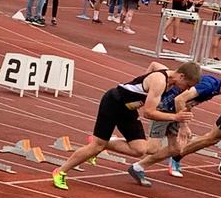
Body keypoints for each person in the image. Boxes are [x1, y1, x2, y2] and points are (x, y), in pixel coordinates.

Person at [52, 62, 202, 190]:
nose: (186, 89)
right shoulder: (159, 81)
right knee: (97, 145)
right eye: (188, 85)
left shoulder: (166, 73)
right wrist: (175, 117)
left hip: (128, 108)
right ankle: (60, 171)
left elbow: (153, 64)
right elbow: (149, 113)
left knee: (140, 149)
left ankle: (103, 145)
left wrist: (139, 82)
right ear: (181, 76)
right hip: (113, 102)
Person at [130, 62, 221, 182]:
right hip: (164, 108)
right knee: (152, 148)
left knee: (176, 148)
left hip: (175, 113)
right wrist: (183, 126)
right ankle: (111, 143)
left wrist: (187, 111)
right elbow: (179, 99)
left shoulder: (215, 88)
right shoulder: (209, 86)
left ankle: (138, 167)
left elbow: (186, 99)